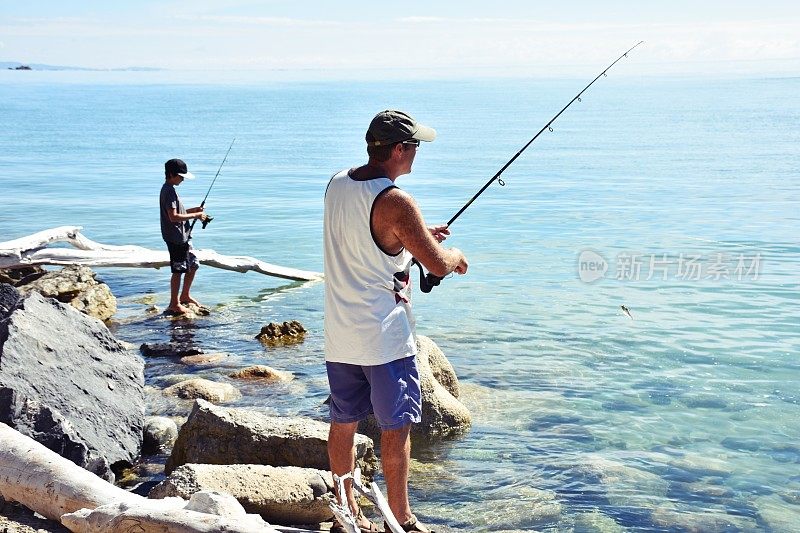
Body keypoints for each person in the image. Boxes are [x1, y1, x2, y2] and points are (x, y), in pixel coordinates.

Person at [323, 110, 468, 533]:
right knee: (396, 427)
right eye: (416, 146)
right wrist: (454, 257)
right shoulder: (397, 201)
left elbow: (368, 243)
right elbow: (438, 266)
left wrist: (414, 235)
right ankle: (400, 519)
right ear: (399, 150)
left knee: (343, 421)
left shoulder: (337, 183)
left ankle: (346, 509)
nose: (418, 153)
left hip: (340, 333)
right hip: (384, 337)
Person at [159, 158, 208, 315]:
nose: (182, 179)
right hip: (175, 238)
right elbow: (173, 217)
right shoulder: (168, 191)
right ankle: (174, 303)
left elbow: (178, 213)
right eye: (180, 176)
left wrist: (194, 210)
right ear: (171, 174)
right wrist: (197, 214)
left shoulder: (171, 189)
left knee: (193, 264)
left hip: (183, 236)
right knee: (178, 270)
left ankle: (185, 295)